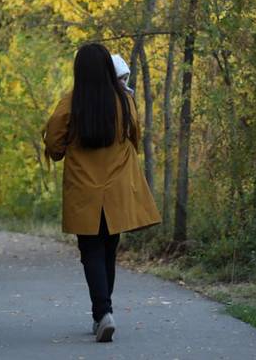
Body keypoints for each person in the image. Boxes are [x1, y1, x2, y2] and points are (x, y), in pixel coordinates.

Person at [43, 43, 161, 343]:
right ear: (109, 70)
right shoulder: (125, 100)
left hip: (85, 188)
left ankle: (102, 312)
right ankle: (103, 312)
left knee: (91, 251)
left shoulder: (70, 103)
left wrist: (63, 151)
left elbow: (54, 141)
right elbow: (135, 135)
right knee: (109, 249)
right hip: (118, 187)